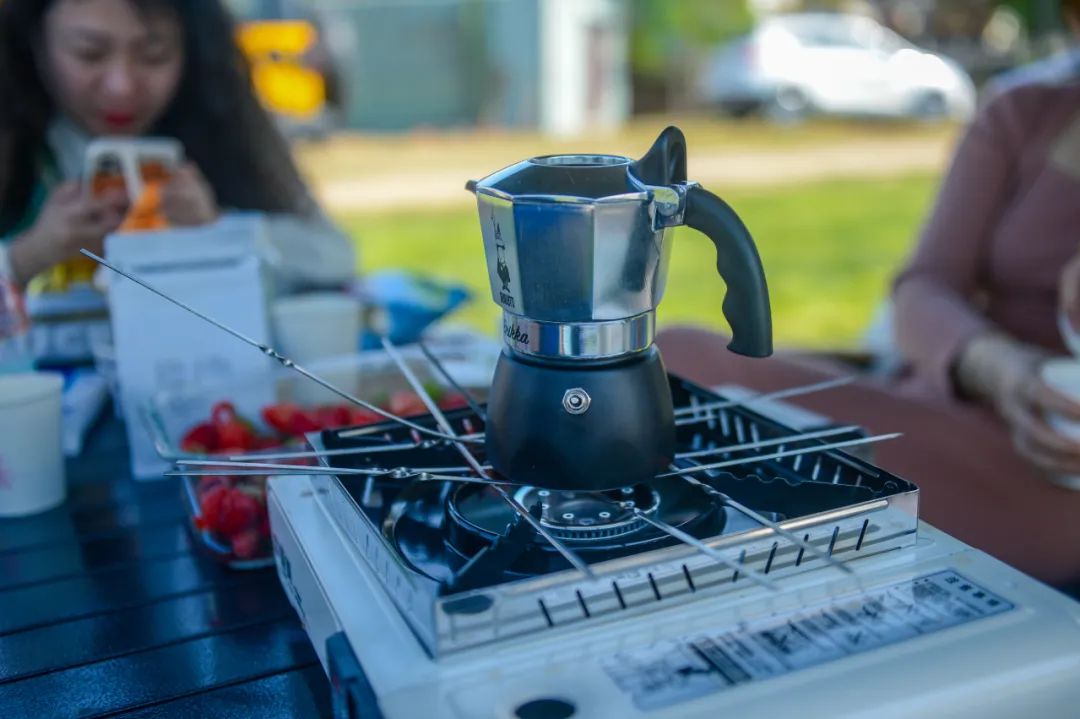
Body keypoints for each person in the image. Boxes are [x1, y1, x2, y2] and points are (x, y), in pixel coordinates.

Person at [657, 0, 1080, 587]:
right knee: (671, 358)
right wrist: (1002, 369)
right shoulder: (1024, 113)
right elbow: (924, 288)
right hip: (950, 408)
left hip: (1054, 488)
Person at [0, 0, 355, 292]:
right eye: (89, 54)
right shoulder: (14, 133)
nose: (122, 86)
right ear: (34, 42)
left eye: (154, 55)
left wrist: (215, 230)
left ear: (194, 51)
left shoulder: (218, 124)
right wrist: (25, 256)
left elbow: (333, 254)